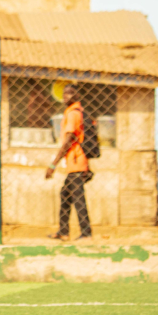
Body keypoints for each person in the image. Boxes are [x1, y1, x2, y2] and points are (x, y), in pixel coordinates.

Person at [46, 84, 92, 240]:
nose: (66, 96)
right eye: (64, 94)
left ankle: (86, 233)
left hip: (76, 162)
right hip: (75, 162)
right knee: (65, 194)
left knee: (78, 198)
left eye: (70, 93)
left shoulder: (73, 114)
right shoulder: (74, 112)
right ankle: (64, 232)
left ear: (76, 95)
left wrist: (53, 164)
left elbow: (68, 140)